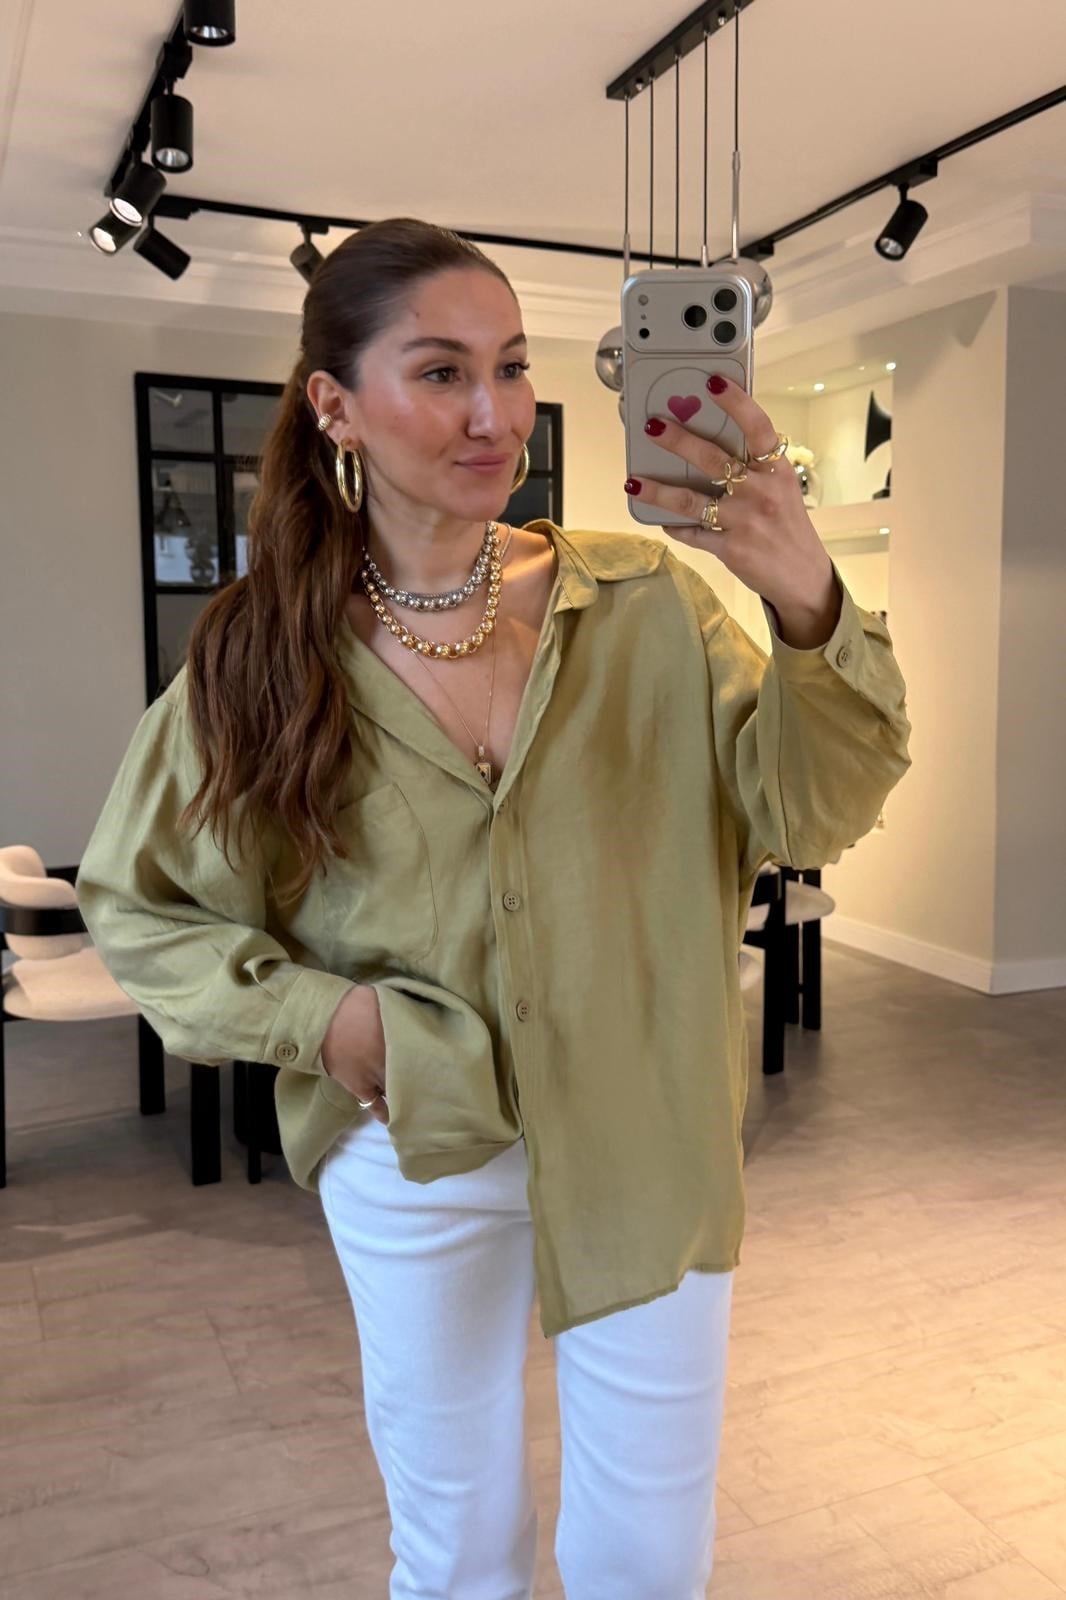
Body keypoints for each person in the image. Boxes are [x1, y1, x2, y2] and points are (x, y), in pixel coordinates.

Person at [76, 216, 912, 1599]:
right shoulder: (260, 650)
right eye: (442, 372)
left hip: (645, 1134)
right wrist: (328, 1021)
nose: (494, 414)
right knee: (455, 1547)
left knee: (646, 1560)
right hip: (415, 1141)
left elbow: (812, 813)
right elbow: (140, 902)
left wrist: (808, 601)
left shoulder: (647, 604)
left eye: (513, 367)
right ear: (335, 404)